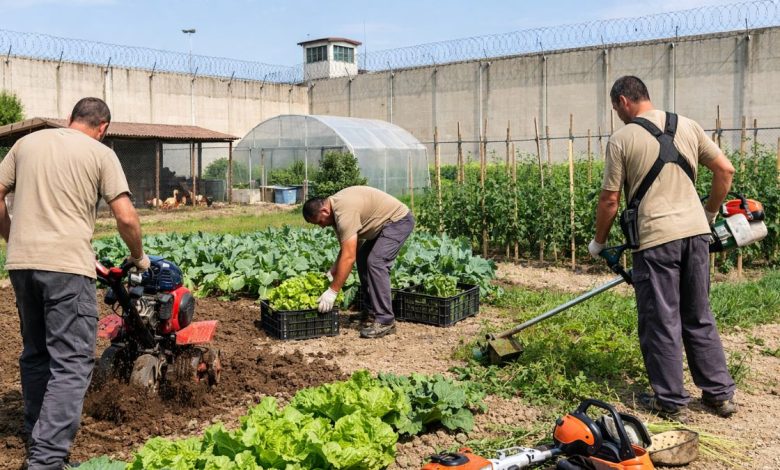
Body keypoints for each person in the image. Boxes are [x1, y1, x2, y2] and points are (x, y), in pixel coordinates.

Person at [0, 97, 150, 469]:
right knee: (72, 363)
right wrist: (139, 256)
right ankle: (48, 461)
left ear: (70, 119)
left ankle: (39, 437)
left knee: (37, 355)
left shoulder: (26, 144)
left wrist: (12, 236)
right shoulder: (100, 154)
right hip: (67, 269)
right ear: (103, 128)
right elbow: (127, 218)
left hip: (21, 265)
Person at [588, 76, 737, 420]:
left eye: (615, 108)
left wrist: (599, 243)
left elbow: (610, 199)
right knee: (699, 315)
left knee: (661, 320)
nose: (617, 115)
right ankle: (719, 395)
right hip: (697, 235)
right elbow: (724, 170)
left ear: (623, 101)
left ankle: (672, 402)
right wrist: (709, 213)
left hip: (656, 240)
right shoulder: (688, 125)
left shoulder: (622, 139)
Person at [303, 186, 414, 339]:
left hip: (398, 221)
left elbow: (349, 257)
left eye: (320, 222)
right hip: (383, 226)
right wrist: (335, 268)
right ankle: (371, 312)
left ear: (324, 211)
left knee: (376, 262)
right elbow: (348, 247)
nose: (322, 226)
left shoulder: (343, 211)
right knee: (363, 257)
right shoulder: (334, 210)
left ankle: (385, 320)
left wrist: (332, 291)